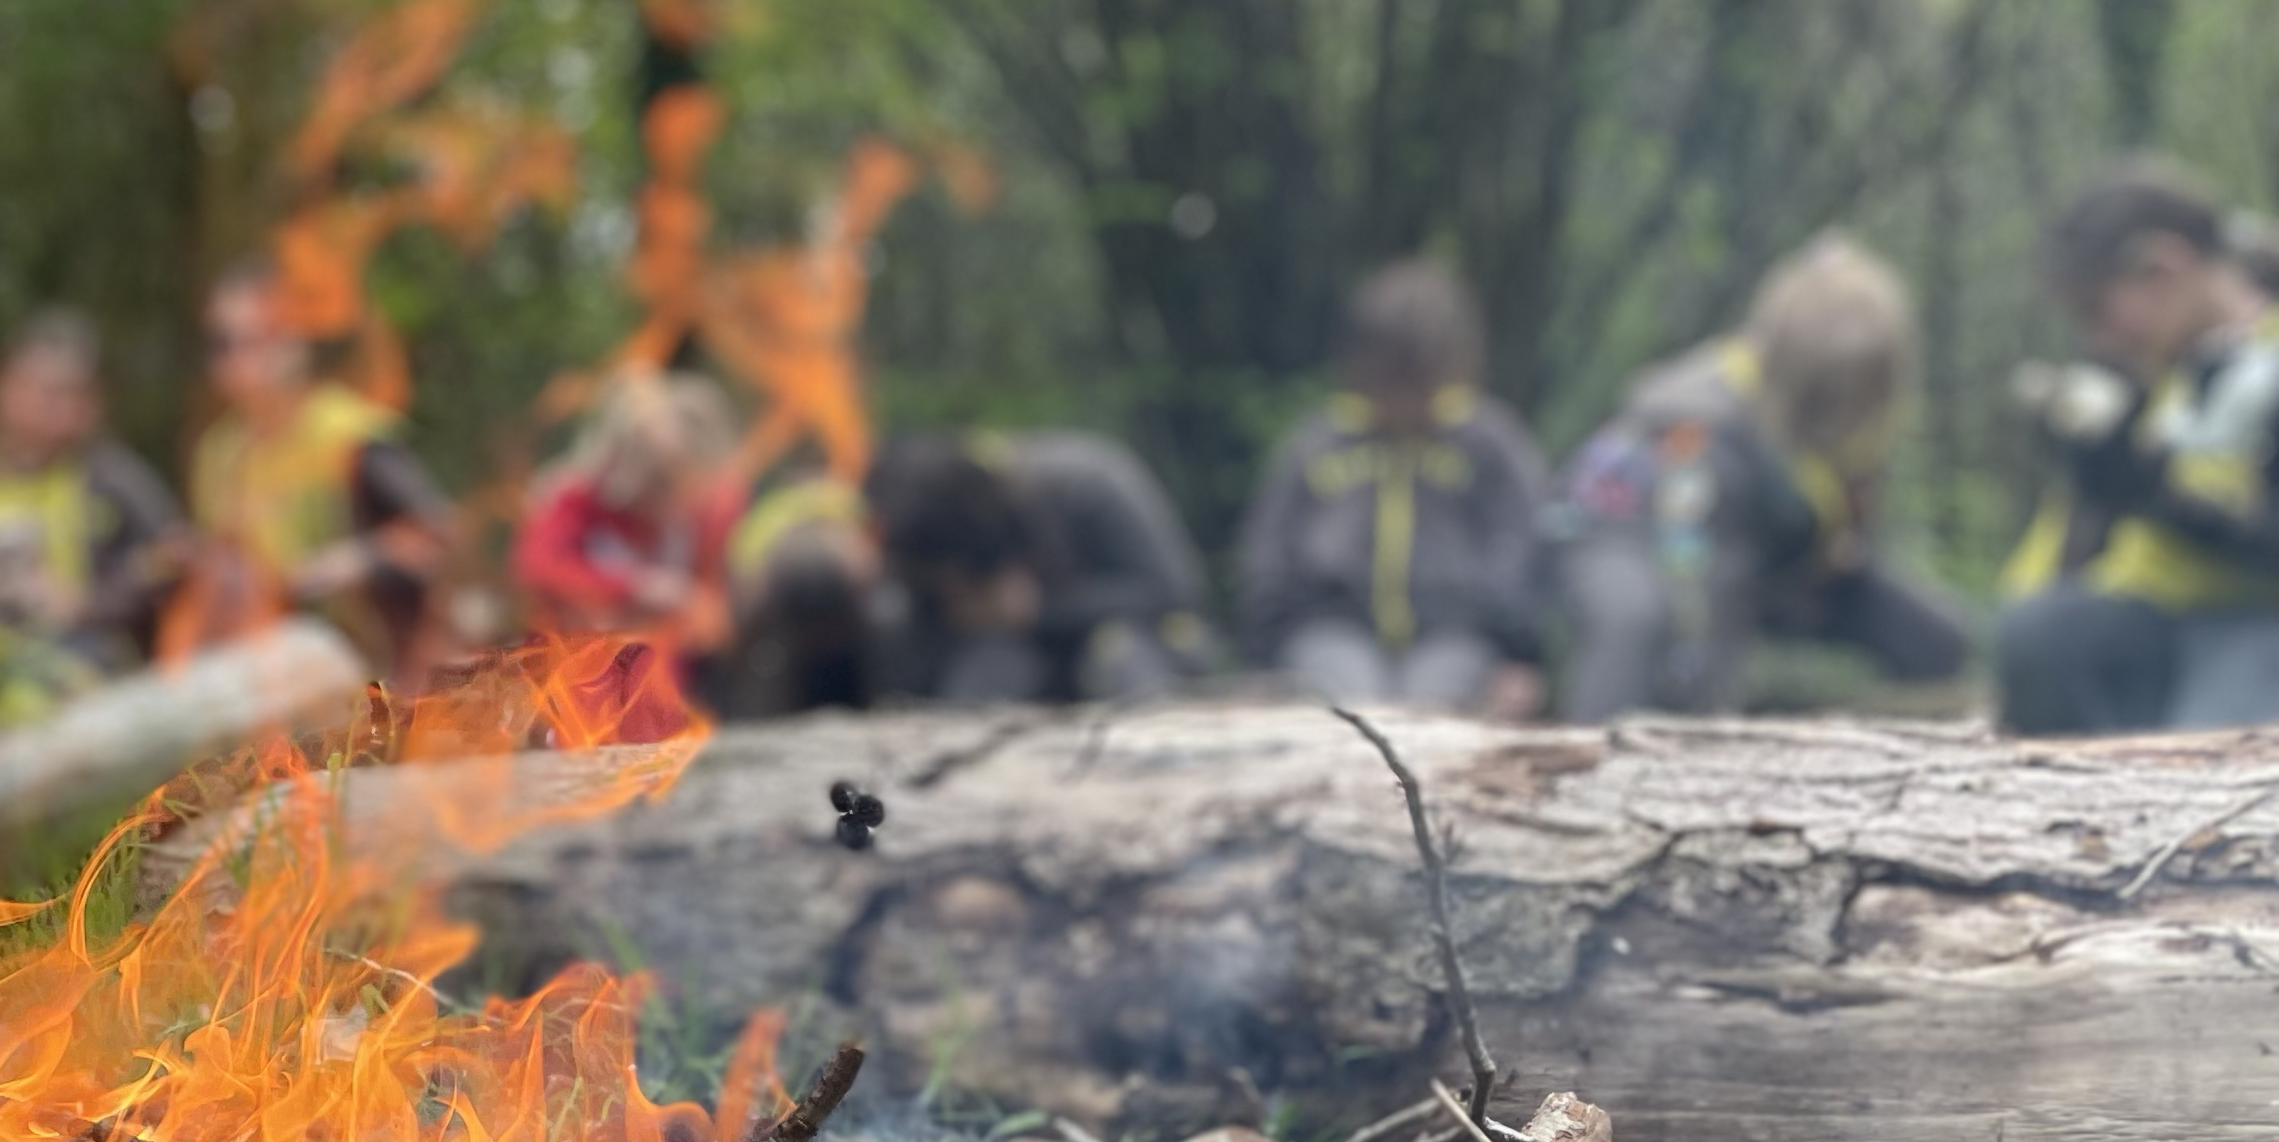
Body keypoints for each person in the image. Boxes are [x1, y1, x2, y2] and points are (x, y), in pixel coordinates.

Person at [1554, 233, 1969, 719]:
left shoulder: (1834, 428)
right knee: (1639, 621)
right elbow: (1702, 591)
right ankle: (1597, 756)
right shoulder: (1700, 429)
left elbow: (1835, 539)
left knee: (1936, 638)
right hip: (1633, 544)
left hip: (1772, 571)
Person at [1994, 160, 2279, 734]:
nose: (2098, 336)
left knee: (2215, 759)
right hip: (2158, 625)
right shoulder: (2156, 382)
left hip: (2256, 627)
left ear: (2163, 267)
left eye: (2097, 310)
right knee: (2041, 633)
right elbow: (2044, 577)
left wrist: (2165, 501)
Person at [720, 425, 1207, 713]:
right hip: (1011, 686)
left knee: (1119, 654)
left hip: (1142, 663)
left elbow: (1173, 593)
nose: (944, 590)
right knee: (984, 673)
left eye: (947, 576)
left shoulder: (1089, 483)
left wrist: (1038, 613)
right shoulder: (915, 548)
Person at [1239, 259, 1549, 712]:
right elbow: (1268, 556)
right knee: (1349, 697)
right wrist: (1262, 661)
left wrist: (1521, 657)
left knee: (1431, 699)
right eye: (1390, 376)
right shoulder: (1321, 442)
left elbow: (1524, 551)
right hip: (1330, 629)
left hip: (1458, 636)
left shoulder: (1488, 443)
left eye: (1417, 376)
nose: (1403, 394)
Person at [176, 257, 453, 680]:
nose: (240, 356)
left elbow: (436, 538)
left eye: (259, 336)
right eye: (224, 342)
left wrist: (357, 560)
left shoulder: (351, 435)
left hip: (367, 666)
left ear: (295, 340)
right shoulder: (219, 452)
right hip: (257, 663)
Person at [0, 307, 189, 709]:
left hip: (84, 650)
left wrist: (86, 604)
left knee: (56, 679)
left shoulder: (113, 478)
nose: (61, 407)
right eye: (47, 391)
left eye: (75, 393)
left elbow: (173, 556)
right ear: (1, 387)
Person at [511, 374, 738, 682]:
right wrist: (639, 588)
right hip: (576, 679)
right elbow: (537, 568)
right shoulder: (574, 501)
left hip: (668, 685)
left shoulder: (700, 509)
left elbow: (709, 600)